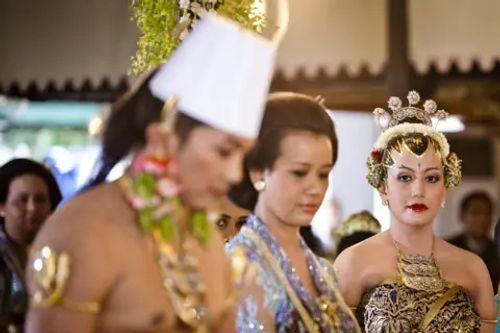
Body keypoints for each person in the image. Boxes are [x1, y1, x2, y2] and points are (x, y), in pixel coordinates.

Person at [25, 14, 275, 333]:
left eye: (242, 154)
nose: (233, 173)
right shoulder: (83, 230)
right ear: (162, 138)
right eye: (224, 151)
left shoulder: (208, 240)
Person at [334, 91, 497, 332]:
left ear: (445, 188)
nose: (418, 191)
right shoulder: (353, 263)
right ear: (383, 187)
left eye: (431, 178)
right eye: (405, 177)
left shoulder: (473, 268)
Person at [227, 92, 360, 332]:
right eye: (299, 173)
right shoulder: (239, 268)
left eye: (323, 174)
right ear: (258, 173)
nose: (316, 188)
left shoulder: (324, 270)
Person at [0, 158, 62, 332]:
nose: (32, 208)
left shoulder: (59, 251)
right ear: (2, 206)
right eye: (22, 200)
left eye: (40, 200)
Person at [449, 191, 499, 289]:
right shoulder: (447, 249)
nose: (483, 218)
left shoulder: (496, 251)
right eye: (476, 212)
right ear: (462, 216)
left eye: (487, 213)